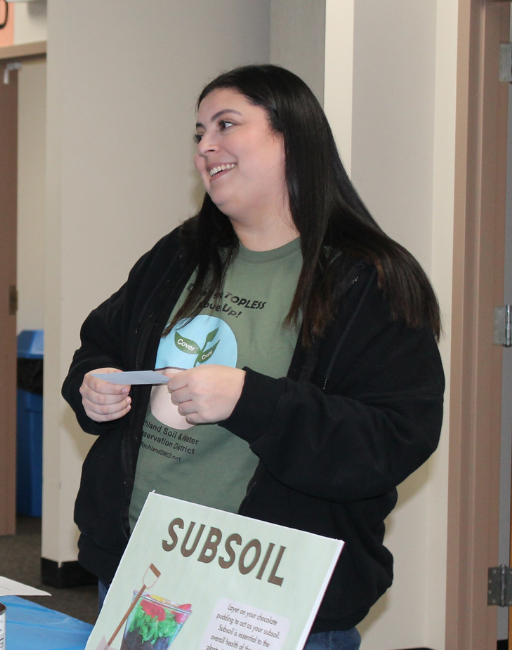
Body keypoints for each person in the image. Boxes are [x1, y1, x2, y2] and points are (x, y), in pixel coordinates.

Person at [61, 64, 443, 650]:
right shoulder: (181, 254)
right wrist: (93, 383)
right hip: (143, 567)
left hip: (270, 600)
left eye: (226, 124)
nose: (206, 146)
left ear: (292, 137)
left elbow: (393, 438)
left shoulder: (368, 280)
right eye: (198, 133)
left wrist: (250, 400)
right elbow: (103, 341)